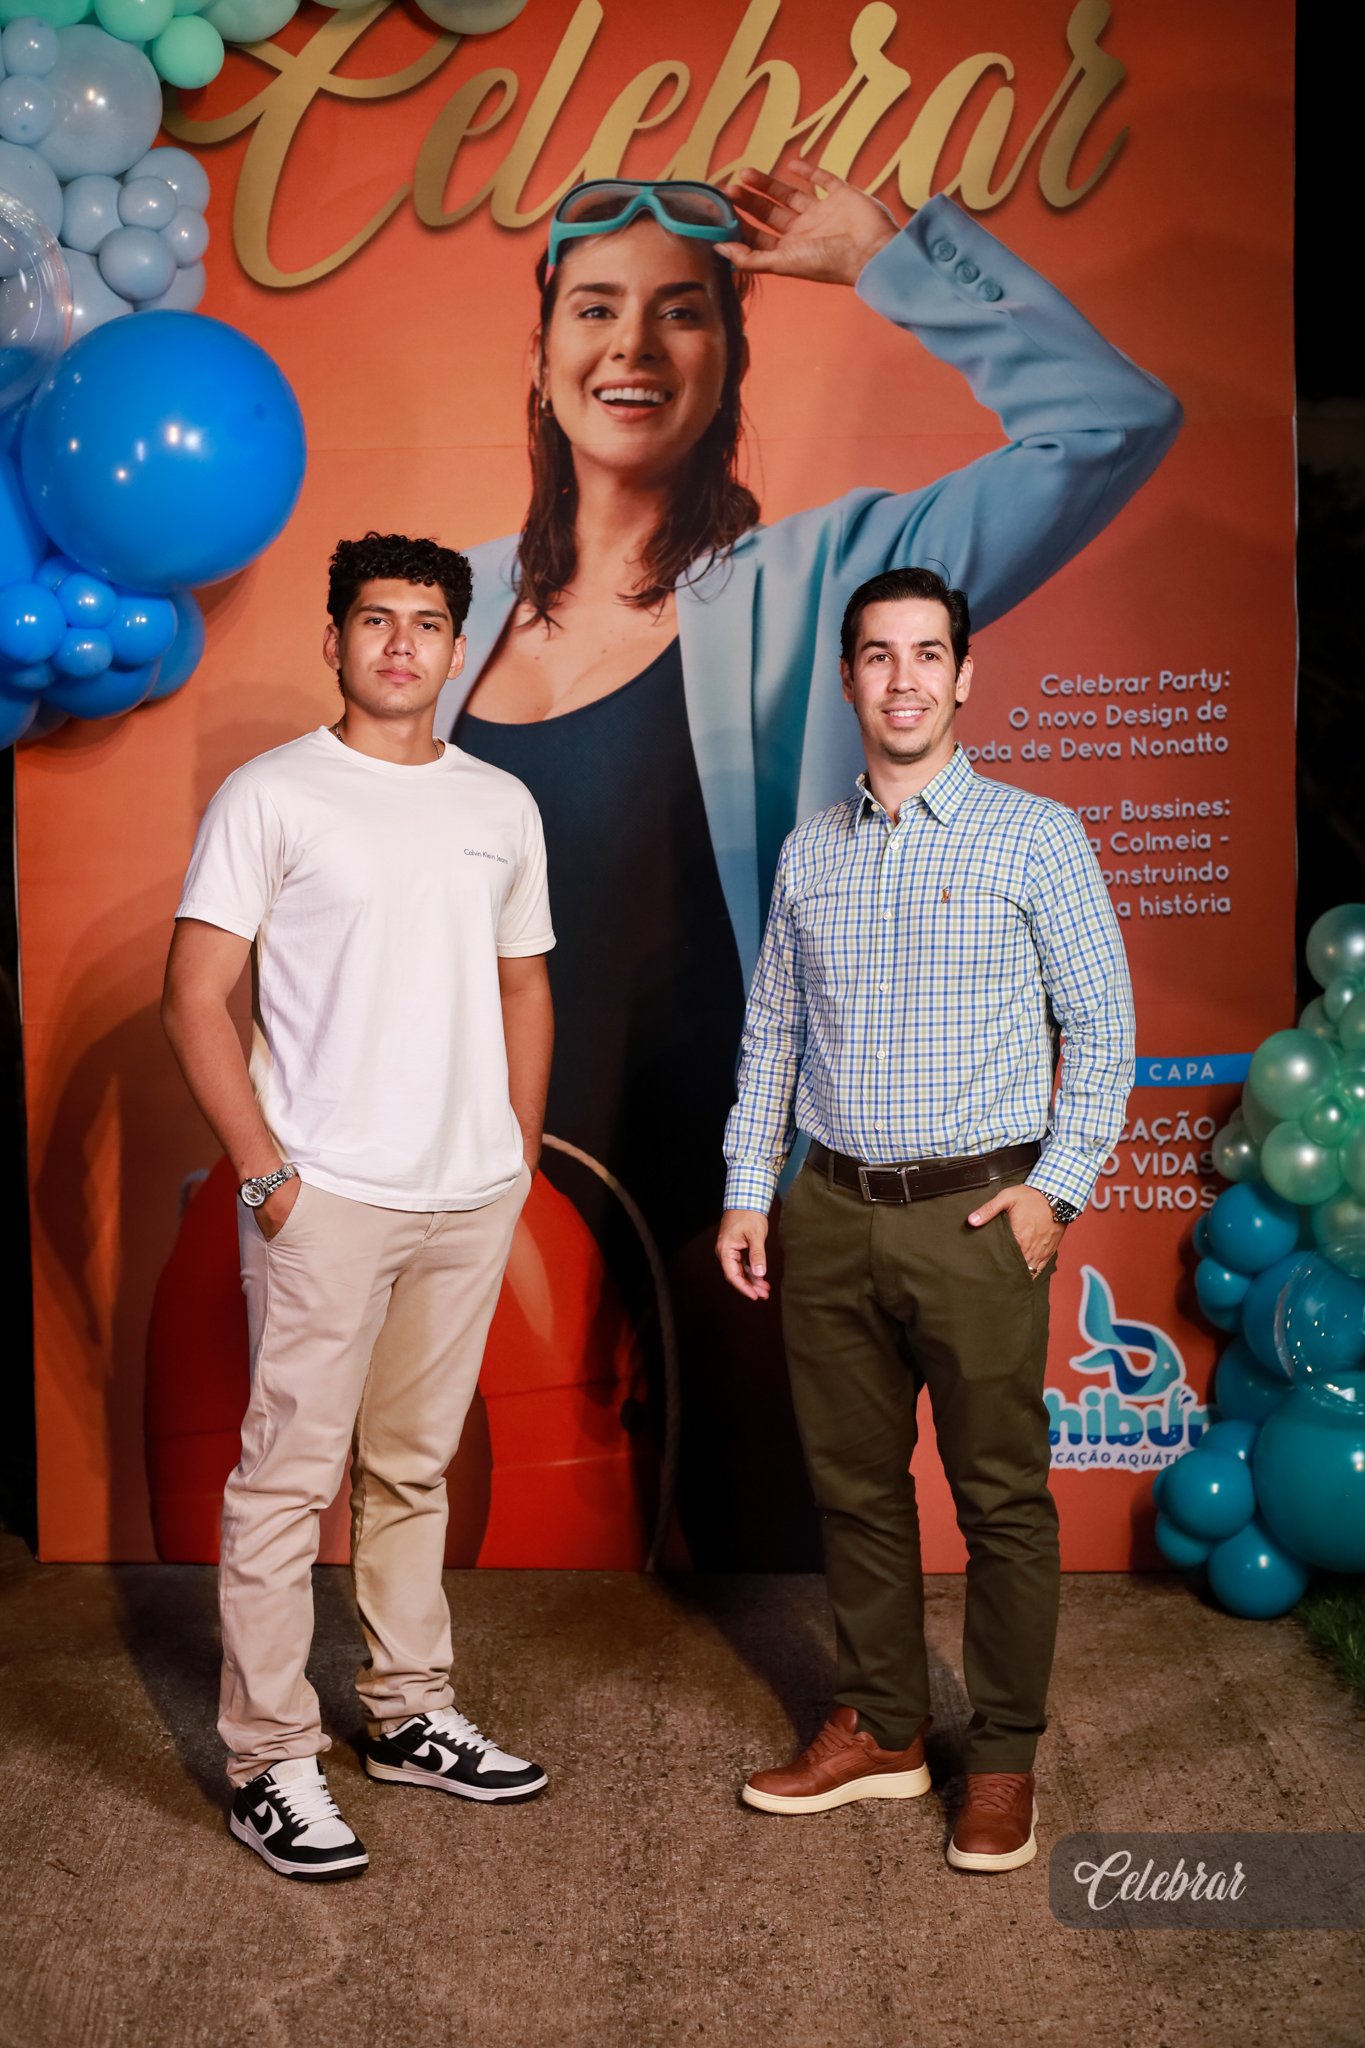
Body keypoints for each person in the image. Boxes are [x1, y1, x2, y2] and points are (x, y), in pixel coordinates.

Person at [439, 163, 1178, 1569]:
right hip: (488, 1196)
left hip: (737, 1212)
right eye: (595, 309)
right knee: (501, 1584)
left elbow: (1111, 423)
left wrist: (894, 264)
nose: (633, 345)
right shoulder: (450, 604)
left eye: (682, 312)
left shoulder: (828, 574)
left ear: (729, 357)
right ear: (540, 356)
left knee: (770, 1574)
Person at [716, 566, 1134, 1873]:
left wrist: (1055, 1190)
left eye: (927, 654)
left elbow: (1103, 1029)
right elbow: (773, 1034)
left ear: (964, 676)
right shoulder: (809, 851)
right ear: (849, 678)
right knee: (854, 1490)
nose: (903, 679)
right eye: (878, 655)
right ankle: (885, 1728)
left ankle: (1000, 1757)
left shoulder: (1036, 837)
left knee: (1000, 1498)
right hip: (830, 1210)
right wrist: (748, 1186)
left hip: (974, 1220)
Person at [161, 532, 555, 1882]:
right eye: (376, 620)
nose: (401, 643)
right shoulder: (272, 795)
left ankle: (406, 1714)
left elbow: (523, 982)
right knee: (285, 1482)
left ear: (456, 646)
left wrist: (515, 1150)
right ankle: (269, 1764)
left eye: (427, 622)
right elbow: (192, 995)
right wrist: (266, 1172)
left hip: (466, 1194)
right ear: (332, 641)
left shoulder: (500, 803)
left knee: (411, 1469)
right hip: (322, 1200)